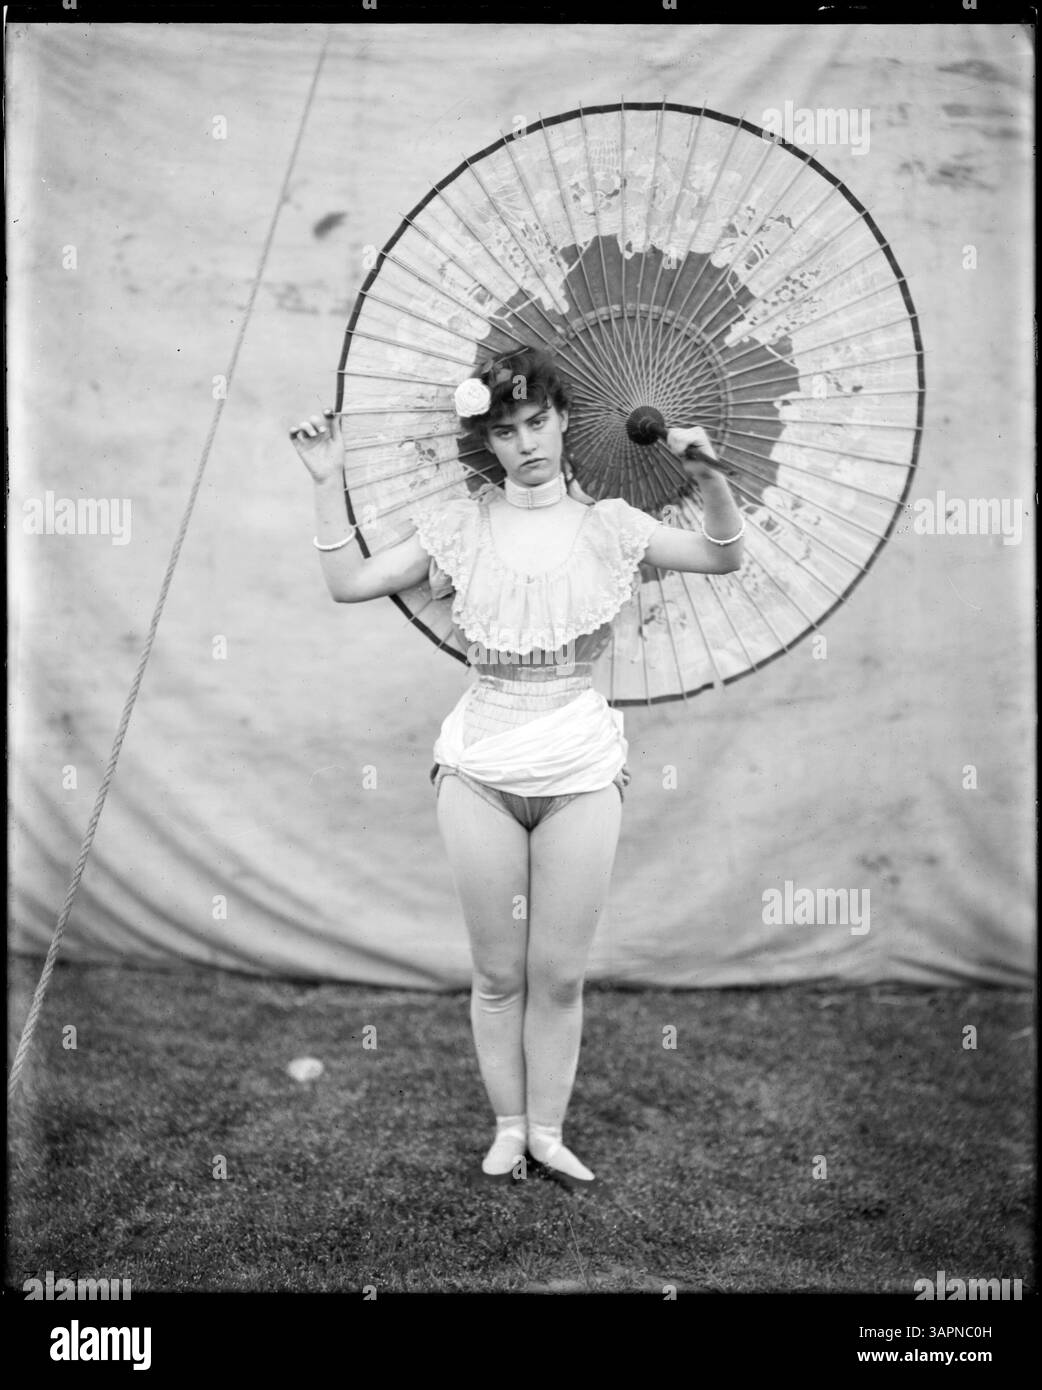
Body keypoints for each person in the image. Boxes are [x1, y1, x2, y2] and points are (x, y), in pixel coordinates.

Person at [291, 347, 744, 1190]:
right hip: (478, 767)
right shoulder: (461, 528)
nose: (526, 442)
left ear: (565, 420)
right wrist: (327, 478)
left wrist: (709, 476)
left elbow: (722, 556)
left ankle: (548, 1131)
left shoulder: (612, 527)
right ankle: (507, 1129)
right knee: (499, 972)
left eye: (538, 422)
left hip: (578, 766)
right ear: (488, 443)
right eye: (505, 430)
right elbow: (350, 583)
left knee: (559, 974)